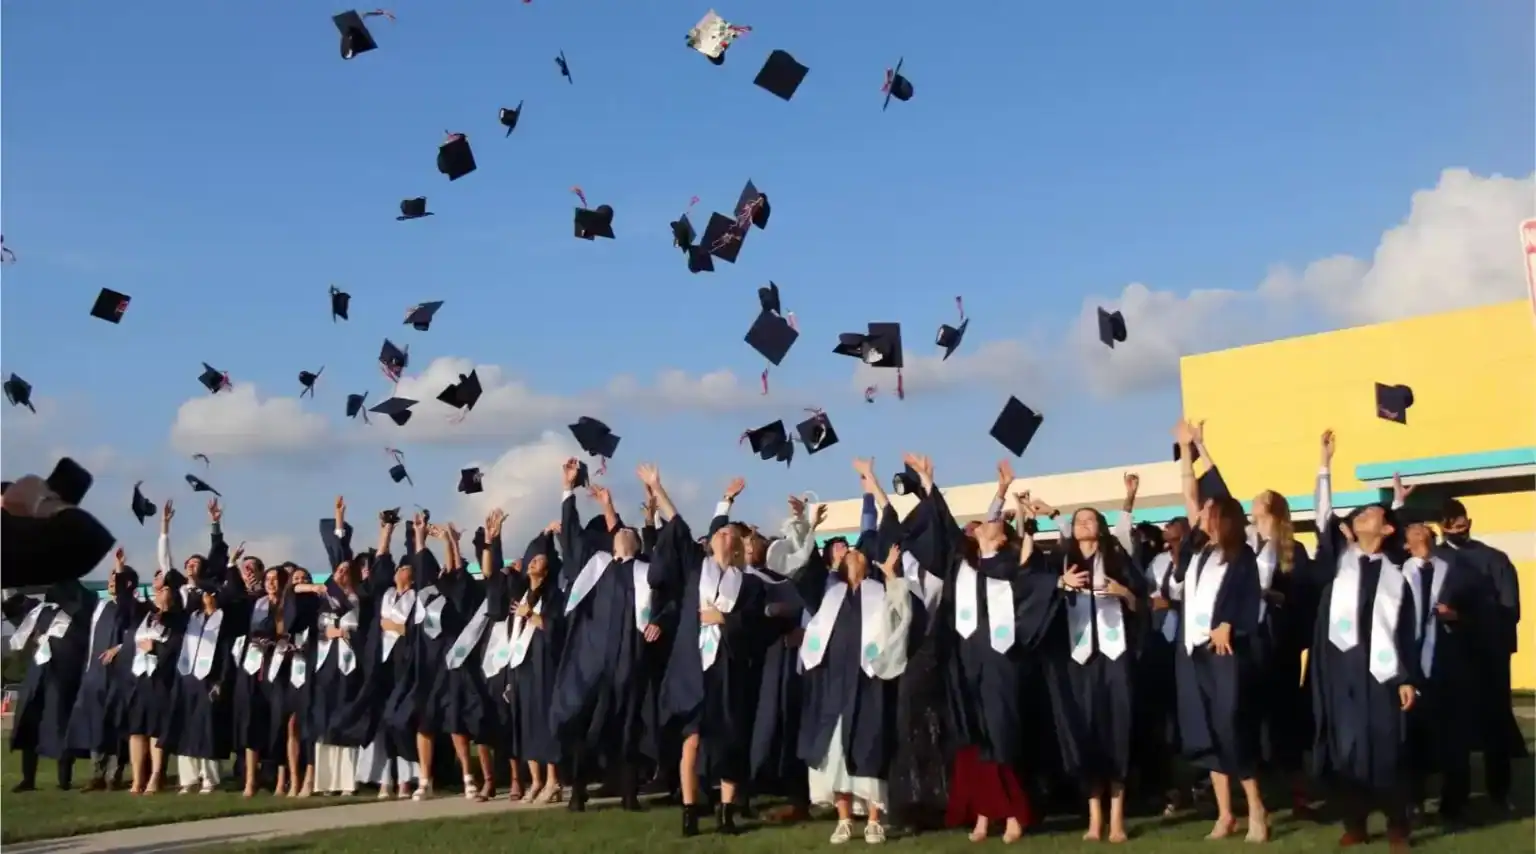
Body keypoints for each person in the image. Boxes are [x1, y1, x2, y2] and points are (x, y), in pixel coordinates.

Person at [797, 457, 920, 845]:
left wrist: (891, 576)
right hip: (832, 684)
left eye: (859, 554)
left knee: (868, 747)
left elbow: (903, 616)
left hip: (868, 683)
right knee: (834, 752)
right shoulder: (827, 593)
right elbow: (801, 570)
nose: (853, 554)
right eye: (848, 552)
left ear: (867, 564)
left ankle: (875, 819)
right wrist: (807, 525)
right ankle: (844, 818)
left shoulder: (879, 591)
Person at [938, 461, 1058, 844]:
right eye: (981, 525)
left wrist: (1060, 580)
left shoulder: (1008, 566)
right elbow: (984, 529)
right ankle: (984, 814)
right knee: (975, 736)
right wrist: (1001, 490)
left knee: (1001, 733)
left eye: (994, 524)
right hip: (967, 657)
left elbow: (1035, 580)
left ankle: (1013, 815)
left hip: (1000, 659)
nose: (987, 524)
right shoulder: (966, 567)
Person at [1311, 429, 1419, 852]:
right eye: (1364, 514)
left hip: (1385, 673)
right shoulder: (1339, 564)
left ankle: (1397, 826)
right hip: (1341, 672)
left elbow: (1406, 631)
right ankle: (1355, 822)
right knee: (1347, 750)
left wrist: (1407, 677)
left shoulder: (1397, 573)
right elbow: (1324, 517)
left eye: (1377, 513)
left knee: (1389, 750)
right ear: (1351, 531)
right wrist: (1325, 463)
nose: (1371, 517)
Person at [651, 464, 769, 837]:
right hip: (693, 667)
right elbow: (679, 525)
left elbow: (754, 628)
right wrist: (657, 486)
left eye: (729, 533)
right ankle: (689, 811)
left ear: (735, 544)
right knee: (693, 740)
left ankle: (727, 813)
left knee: (730, 741)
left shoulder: (748, 586)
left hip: (727, 669)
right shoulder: (694, 570)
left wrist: (723, 619)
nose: (723, 535)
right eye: (719, 531)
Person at [550, 464, 674, 813]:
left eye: (628, 532)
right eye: (619, 532)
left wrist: (660, 621)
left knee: (630, 726)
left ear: (636, 544)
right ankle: (577, 791)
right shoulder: (596, 567)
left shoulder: (647, 573)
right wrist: (567, 490)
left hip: (629, 663)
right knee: (583, 725)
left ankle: (630, 793)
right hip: (589, 663)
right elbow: (571, 539)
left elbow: (673, 600)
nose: (623, 533)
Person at [1172, 420, 1267, 842]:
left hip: (1225, 652)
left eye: (1209, 511)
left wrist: (1202, 448)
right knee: (1205, 730)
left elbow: (1249, 598)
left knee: (1231, 727)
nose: (1202, 512)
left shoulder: (1240, 555)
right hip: (1192, 652)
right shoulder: (1198, 554)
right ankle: (1225, 814)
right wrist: (1183, 450)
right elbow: (1190, 493)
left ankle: (1257, 810)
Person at [1038, 499, 1143, 843]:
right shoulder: (1062, 561)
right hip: (1077, 661)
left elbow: (1140, 603)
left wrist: (1123, 592)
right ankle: (1094, 819)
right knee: (1085, 735)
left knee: (1117, 733)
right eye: (1079, 520)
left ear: (1101, 526)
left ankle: (1116, 819)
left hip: (1114, 659)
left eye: (1090, 519)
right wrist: (1060, 584)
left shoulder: (1117, 560)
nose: (1084, 524)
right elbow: (1037, 593)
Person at [1435, 498, 1526, 812]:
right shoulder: (1434, 560)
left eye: (1462, 521)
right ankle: (1454, 798)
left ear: (1469, 522)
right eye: (1451, 522)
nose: (1459, 527)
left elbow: (1510, 610)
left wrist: (1465, 620)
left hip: (1488, 656)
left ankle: (1500, 793)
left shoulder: (1494, 559)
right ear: (1441, 526)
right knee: (1453, 731)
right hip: (1448, 659)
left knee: (1495, 727)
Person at [5, 577, 98, 792]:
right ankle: (28, 779)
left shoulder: (81, 614)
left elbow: (85, 597)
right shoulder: (41, 611)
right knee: (29, 723)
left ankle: (63, 780)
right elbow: (14, 606)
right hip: (37, 674)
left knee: (61, 725)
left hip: (64, 677)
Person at [65, 549, 139, 791]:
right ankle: (96, 775)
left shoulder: (133, 608)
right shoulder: (100, 607)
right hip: (95, 675)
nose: (110, 583)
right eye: (109, 579)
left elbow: (135, 634)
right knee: (95, 724)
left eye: (115, 579)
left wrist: (118, 648)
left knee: (115, 726)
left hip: (118, 676)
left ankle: (113, 776)